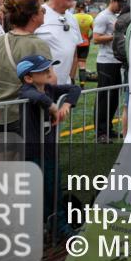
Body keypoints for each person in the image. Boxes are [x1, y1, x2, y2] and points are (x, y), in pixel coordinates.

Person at [16, 55, 79, 239]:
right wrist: (53, 107)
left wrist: (66, 103)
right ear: (28, 78)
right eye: (44, 71)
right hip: (34, 152)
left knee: (53, 189)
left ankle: (56, 226)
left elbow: (74, 88)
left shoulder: (50, 89)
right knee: (38, 191)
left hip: (49, 149)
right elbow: (34, 97)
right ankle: (47, 227)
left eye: (49, 69)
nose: (49, 73)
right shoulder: (26, 91)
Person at [0, 0, 53, 136]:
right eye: (42, 9)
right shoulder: (38, 44)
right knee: (27, 156)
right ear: (33, 16)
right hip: (26, 113)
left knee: (1, 155)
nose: (44, 11)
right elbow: (50, 80)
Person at [34, 0, 82, 86]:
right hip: (40, 89)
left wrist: (71, 79)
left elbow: (74, 54)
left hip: (64, 87)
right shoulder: (37, 15)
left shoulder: (72, 18)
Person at [92, 0, 125, 143]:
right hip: (105, 62)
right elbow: (96, 39)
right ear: (112, 1)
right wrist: (115, 36)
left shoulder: (117, 16)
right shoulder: (103, 16)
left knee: (114, 98)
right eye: (119, 3)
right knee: (104, 98)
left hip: (117, 62)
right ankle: (100, 133)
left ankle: (108, 129)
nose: (120, 6)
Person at [74, 3, 94, 82]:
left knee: (73, 63)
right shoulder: (89, 17)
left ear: (76, 8)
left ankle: (72, 83)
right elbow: (94, 30)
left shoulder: (73, 17)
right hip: (85, 43)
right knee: (82, 64)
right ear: (84, 8)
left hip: (75, 43)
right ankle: (82, 85)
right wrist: (89, 38)